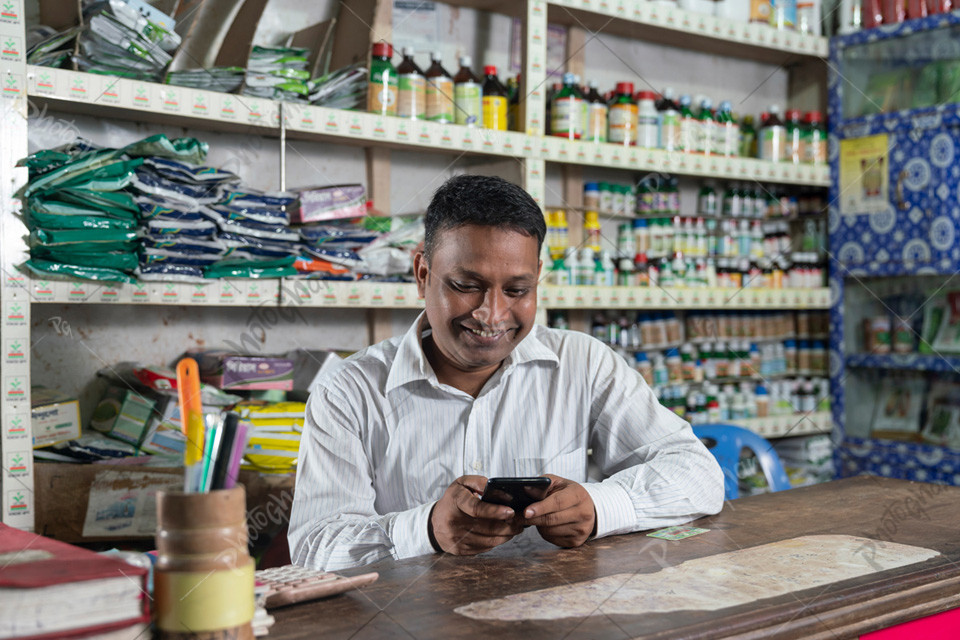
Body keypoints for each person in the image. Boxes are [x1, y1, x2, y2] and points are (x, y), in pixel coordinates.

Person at [289, 175, 724, 571]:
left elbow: (697, 472)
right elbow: (315, 547)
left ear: (537, 279)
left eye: (517, 290)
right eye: (466, 286)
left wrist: (600, 505)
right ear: (423, 274)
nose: (491, 314)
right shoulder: (348, 392)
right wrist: (426, 530)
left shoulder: (584, 364)